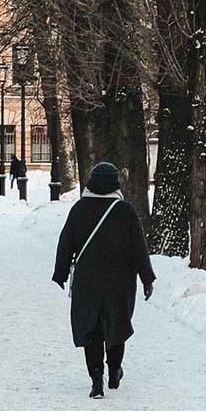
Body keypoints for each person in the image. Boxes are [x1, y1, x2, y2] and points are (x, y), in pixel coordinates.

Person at [52, 161, 154, 398]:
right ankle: (115, 369)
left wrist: (61, 272)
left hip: (88, 280)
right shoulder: (125, 211)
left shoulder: (79, 209)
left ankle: (96, 379)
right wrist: (146, 278)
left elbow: (66, 242)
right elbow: (139, 248)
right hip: (120, 281)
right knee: (117, 325)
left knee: (92, 328)